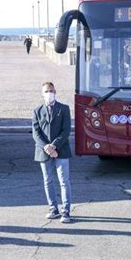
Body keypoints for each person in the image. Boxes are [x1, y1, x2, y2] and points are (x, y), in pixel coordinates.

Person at [32, 82, 72, 223]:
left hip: (61, 150)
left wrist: (54, 146)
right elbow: (36, 133)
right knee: (48, 180)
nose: (49, 93)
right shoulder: (37, 111)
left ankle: (65, 211)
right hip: (44, 151)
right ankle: (53, 209)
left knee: (63, 181)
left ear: (55, 92)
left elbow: (66, 130)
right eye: (46, 91)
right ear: (42, 94)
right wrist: (47, 147)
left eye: (51, 90)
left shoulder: (64, 109)